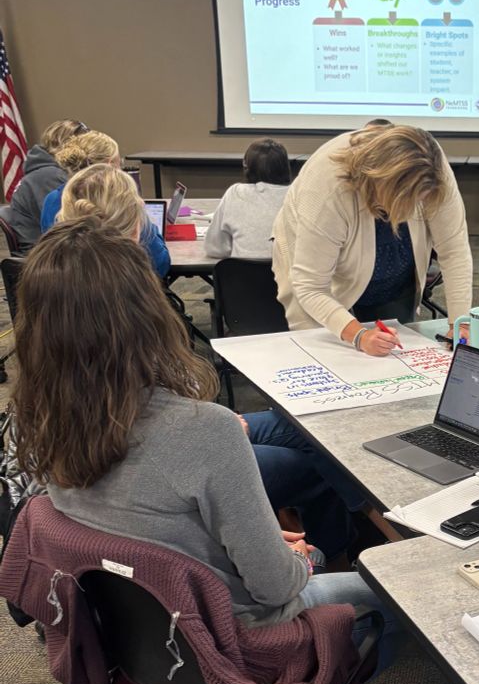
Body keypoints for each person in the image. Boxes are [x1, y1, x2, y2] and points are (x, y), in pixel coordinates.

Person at [12, 219, 397, 651]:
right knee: (402, 586)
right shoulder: (204, 429)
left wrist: (256, 541)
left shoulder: (36, 414)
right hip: (234, 640)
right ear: (147, 314)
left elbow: (141, 521)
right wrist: (287, 559)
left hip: (139, 633)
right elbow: (275, 589)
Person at [54, 163, 361, 563]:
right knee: (308, 458)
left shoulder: (52, 295)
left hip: (136, 459)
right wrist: (207, 425)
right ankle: (348, 546)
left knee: (297, 427)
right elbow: (271, 584)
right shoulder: (131, 308)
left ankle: (354, 525)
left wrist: (202, 421)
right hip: (165, 462)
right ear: (136, 228)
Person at [271, 124, 473, 356]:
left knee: (395, 347)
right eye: (409, 203)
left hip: (391, 265)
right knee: (328, 355)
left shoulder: (431, 168)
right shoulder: (326, 190)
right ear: (384, 189)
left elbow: (454, 250)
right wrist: (359, 335)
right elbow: (311, 287)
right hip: (317, 265)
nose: (414, 211)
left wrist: (461, 324)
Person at [38, 130, 171, 278]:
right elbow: (159, 264)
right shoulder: (123, 204)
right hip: (122, 291)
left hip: (65, 290)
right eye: (120, 163)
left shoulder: (51, 201)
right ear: (110, 165)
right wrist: (145, 221)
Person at [203, 138, 292, 260]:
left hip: (242, 277)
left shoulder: (235, 193)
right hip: (289, 277)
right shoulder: (299, 196)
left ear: (247, 167)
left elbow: (215, 249)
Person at [9, 118, 88, 251]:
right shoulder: (49, 176)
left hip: (53, 250)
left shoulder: (47, 171)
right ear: (69, 145)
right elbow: (67, 226)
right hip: (44, 257)